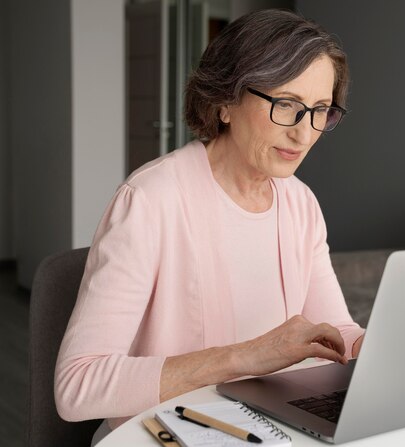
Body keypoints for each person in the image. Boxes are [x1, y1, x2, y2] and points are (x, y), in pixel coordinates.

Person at [54, 8, 365, 444]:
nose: (304, 134)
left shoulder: (300, 203)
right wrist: (248, 356)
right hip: (161, 433)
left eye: (319, 111)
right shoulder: (150, 201)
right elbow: (78, 385)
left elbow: (335, 331)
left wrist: (367, 346)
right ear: (224, 102)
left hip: (261, 428)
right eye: (286, 105)